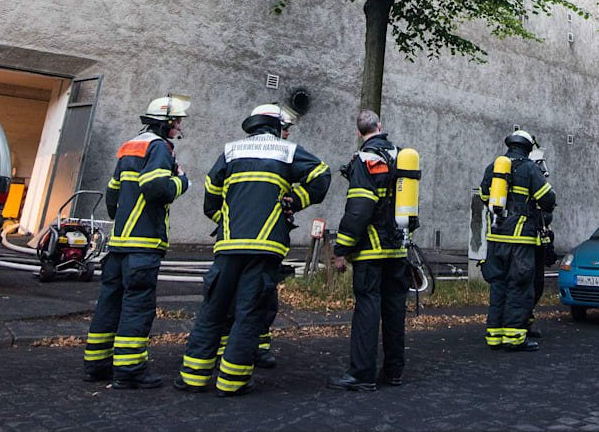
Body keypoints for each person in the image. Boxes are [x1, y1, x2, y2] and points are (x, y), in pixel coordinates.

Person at [176, 104, 330, 397]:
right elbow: (322, 175)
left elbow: (211, 196)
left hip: (228, 245)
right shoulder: (287, 151)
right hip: (266, 246)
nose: (287, 132)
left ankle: (193, 377)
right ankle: (232, 382)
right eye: (285, 127)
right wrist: (295, 200)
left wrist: (227, 221)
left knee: (213, 309)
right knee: (249, 312)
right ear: (276, 125)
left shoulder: (231, 151)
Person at [83, 94, 191, 389]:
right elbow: (156, 187)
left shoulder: (130, 146)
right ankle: (129, 371)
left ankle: (96, 365)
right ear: (166, 122)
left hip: (119, 244)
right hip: (143, 246)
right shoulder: (160, 148)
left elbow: (112, 195)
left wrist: (124, 221)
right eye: (177, 121)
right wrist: (182, 181)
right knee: (137, 307)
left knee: (109, 304)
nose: (180, 126)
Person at [328, 110, 411, 392]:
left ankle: (362, 374)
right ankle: (394, 371)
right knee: (394, 309)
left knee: (367, 308)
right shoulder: (401, 156)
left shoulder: (364, 159)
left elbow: (359, 209)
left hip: (371, 251)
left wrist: (341, 249)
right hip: (398, 249)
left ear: (358, 132)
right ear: (380, 126)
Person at [478, 129, 556, 352]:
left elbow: (484, 196)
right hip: (520, 240)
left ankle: (494, 337)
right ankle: (514, 338)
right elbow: (548, 200)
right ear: (528, 148)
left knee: (498, 286)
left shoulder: (493, 167)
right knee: (518, 287)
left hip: (495, 238)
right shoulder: (530, 169)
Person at [526, 147, 555, 339]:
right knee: (526, 284)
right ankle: (521, 323)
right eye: (540, 164)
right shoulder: (526, 181)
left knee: (537, 285)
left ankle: (526, 321)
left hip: (538, 243)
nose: (544, 169)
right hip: (525, 244)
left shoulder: (540, 183)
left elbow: (548, 208)